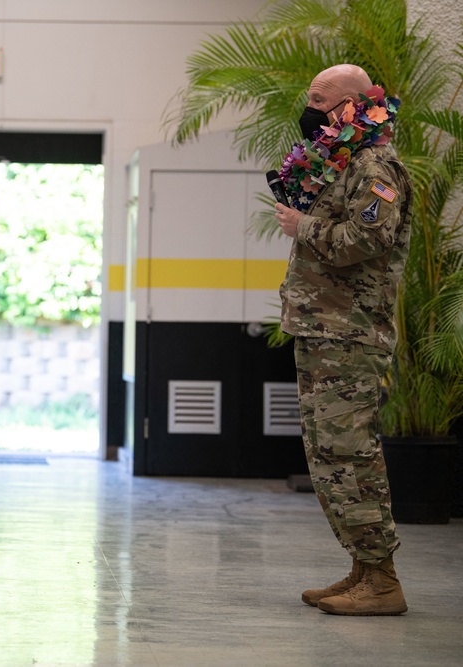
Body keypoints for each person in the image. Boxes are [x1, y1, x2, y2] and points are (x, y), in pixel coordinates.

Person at [273, 64, 412, 616]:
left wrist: (303, 226)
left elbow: (368, 239)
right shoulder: (342, 163)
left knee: (351, 453)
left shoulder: (376, 166)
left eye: (319, 99)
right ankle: (362, 569)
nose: (310, 109)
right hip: (322, 331)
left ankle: (382, 579)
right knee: (329, 455)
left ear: (353, 105)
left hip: (349, 335)